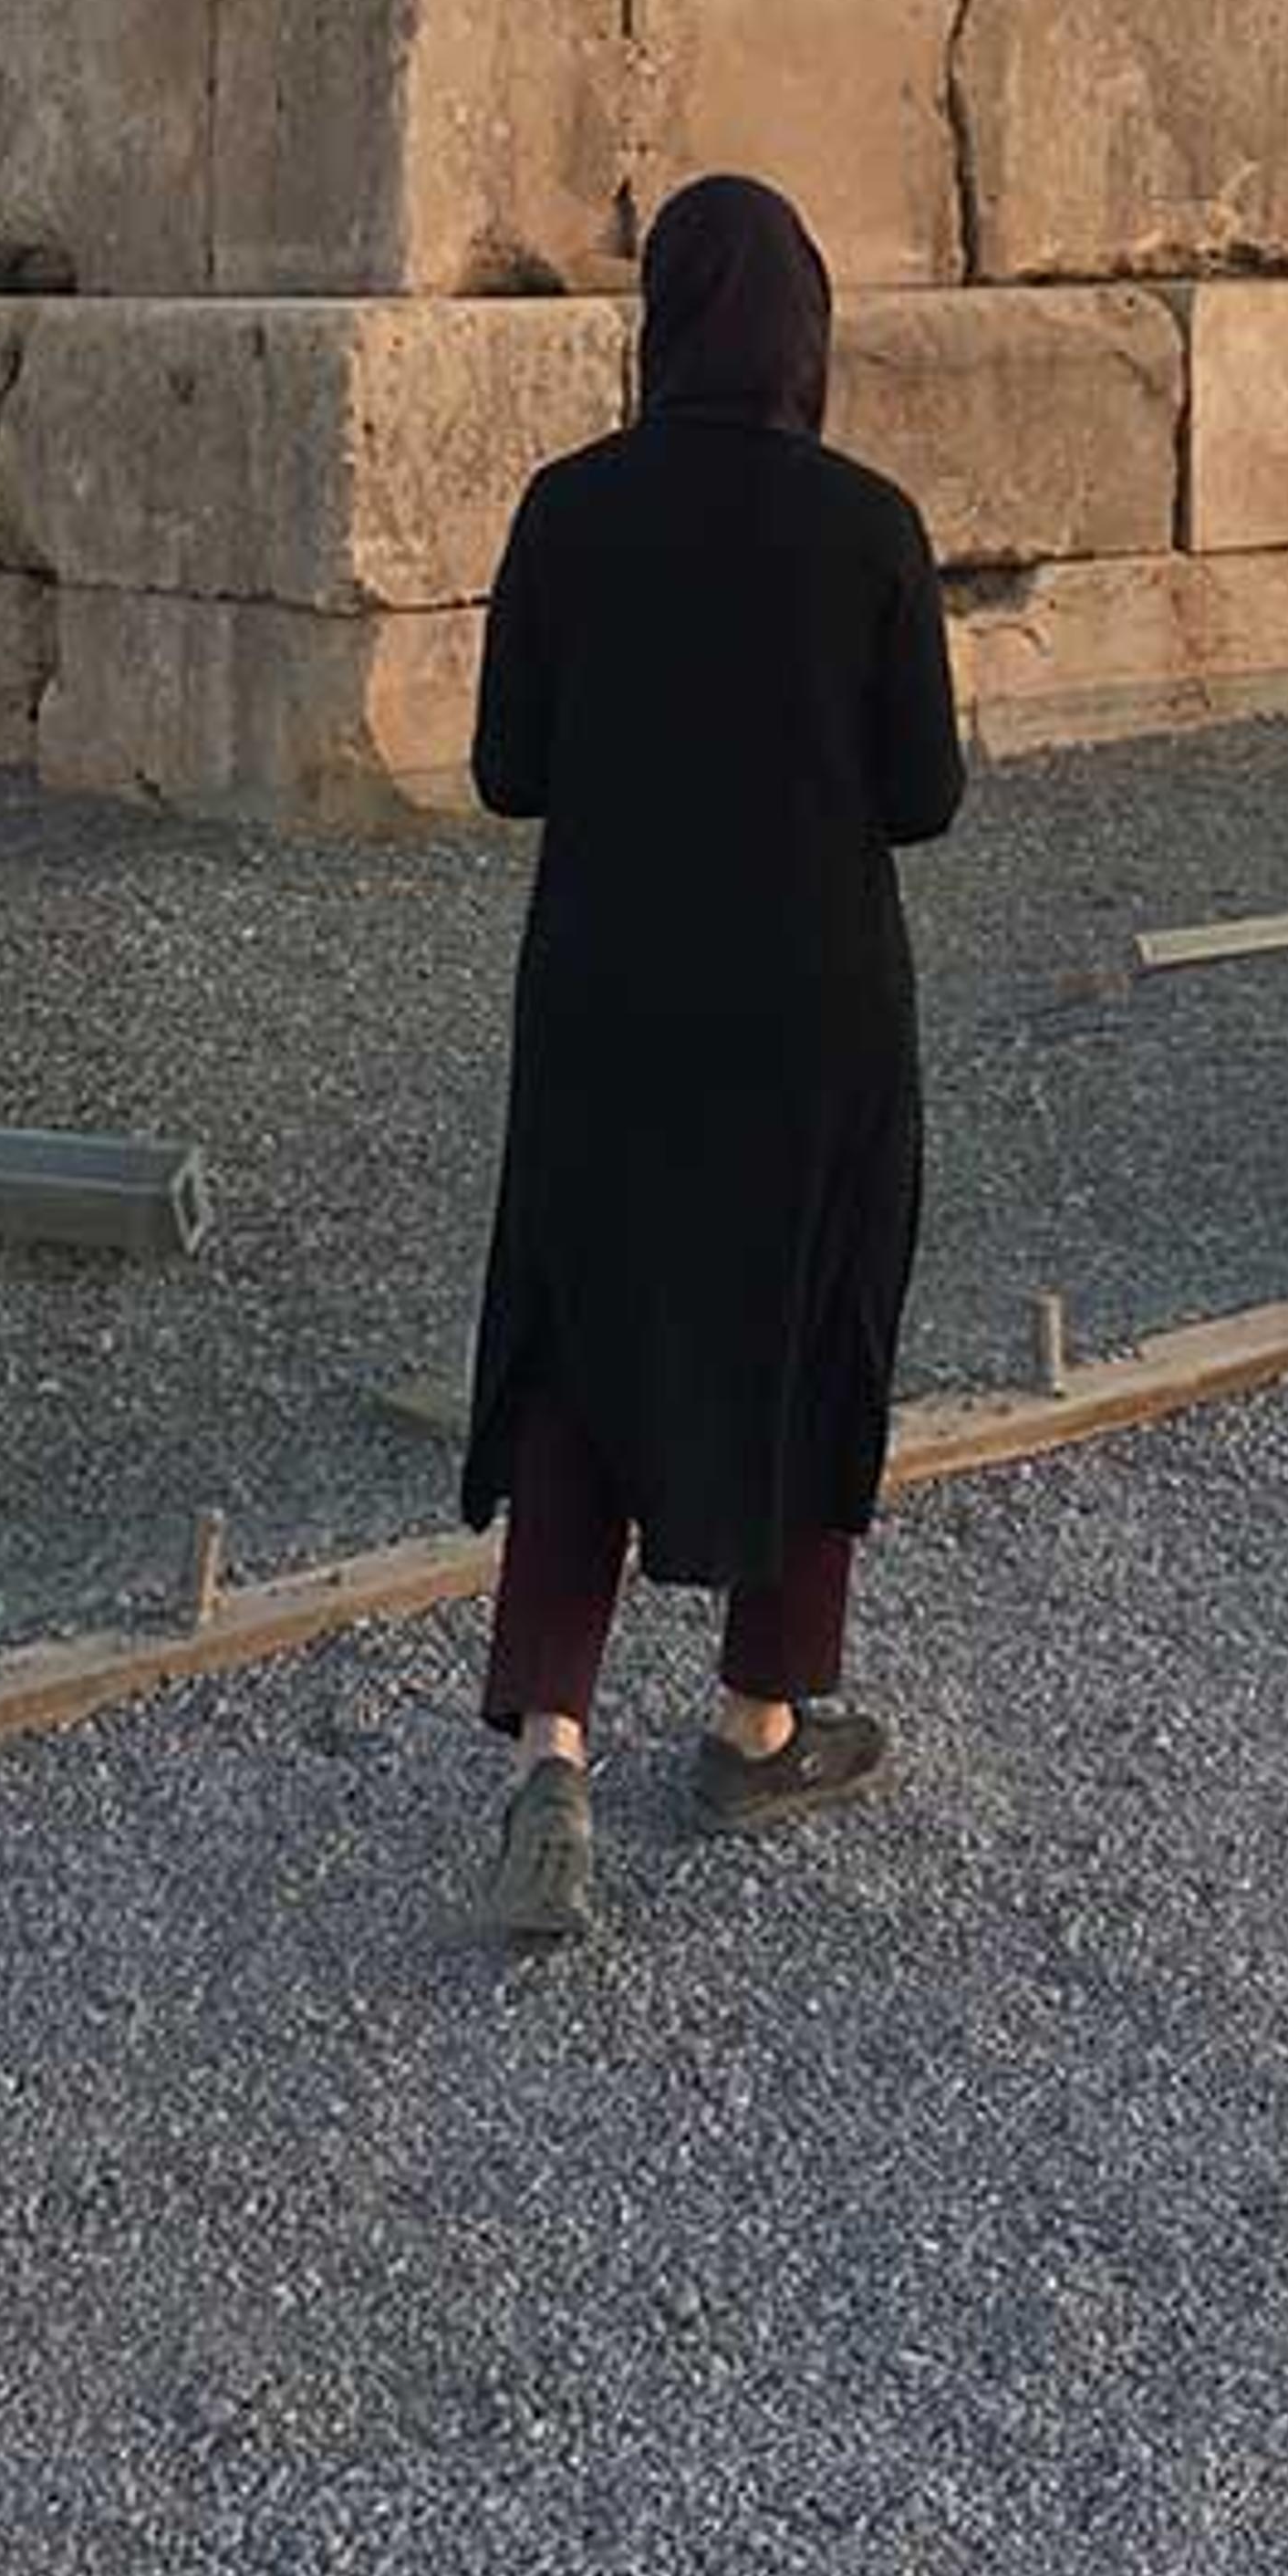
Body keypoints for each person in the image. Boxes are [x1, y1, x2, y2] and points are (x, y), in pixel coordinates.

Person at [460, 171, 967, 1947]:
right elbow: (926, 796)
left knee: (583, 1344)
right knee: (804, 1330)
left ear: (660, 321)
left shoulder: (567, 510)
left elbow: (508, 769)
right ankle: (760, 1716)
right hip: (811, 1011)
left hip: (608, 1000)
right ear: (807, 334)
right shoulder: (871, 525)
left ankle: (553, 1748)